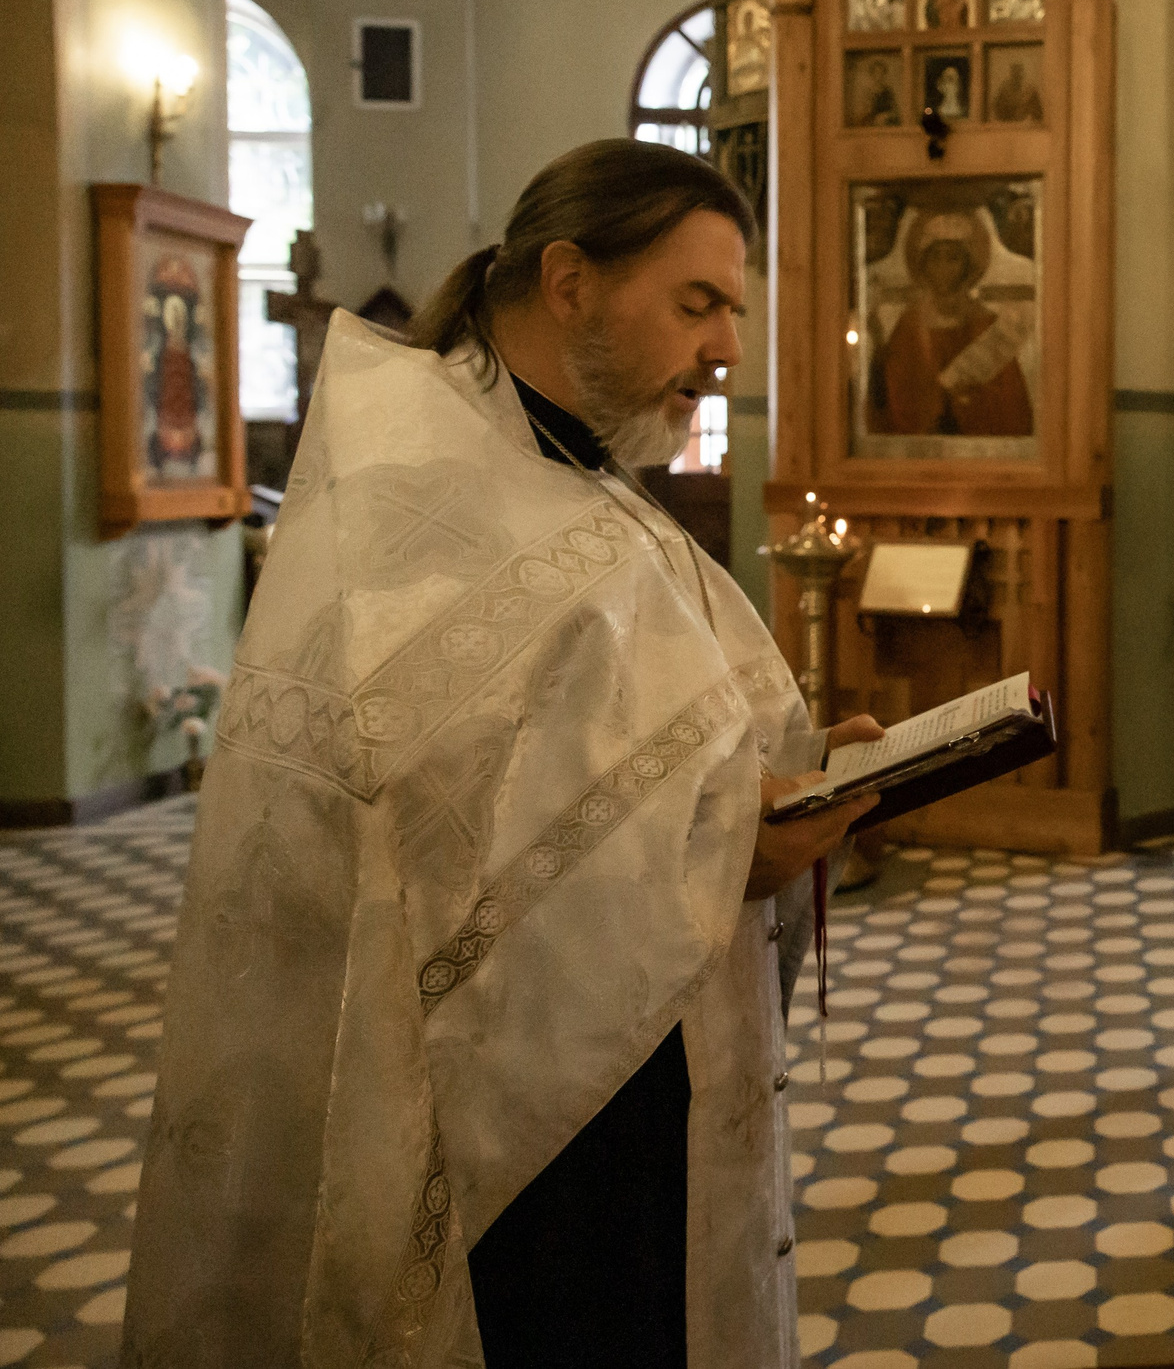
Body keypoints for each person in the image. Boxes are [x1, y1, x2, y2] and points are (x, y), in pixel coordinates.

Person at [122, 139, 881, 1367]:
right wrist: (729, 839)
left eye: (732, 309)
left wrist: (788, 778)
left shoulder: (574, 465)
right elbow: (435, 845)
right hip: (497, 1119)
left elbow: (611, 736)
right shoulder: (420, 489)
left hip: (634, 1069)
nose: (728, 347)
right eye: (698, 304)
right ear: (570, 278)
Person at [870, 213, 1036, 436]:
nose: (943, 268)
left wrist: (968, 400)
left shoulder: (987, 325)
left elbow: (1012, 409)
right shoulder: (910, 325)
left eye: (953, 258)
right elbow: (894, 398)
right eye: (935, 258)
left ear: (968, 266)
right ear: (923, 265)